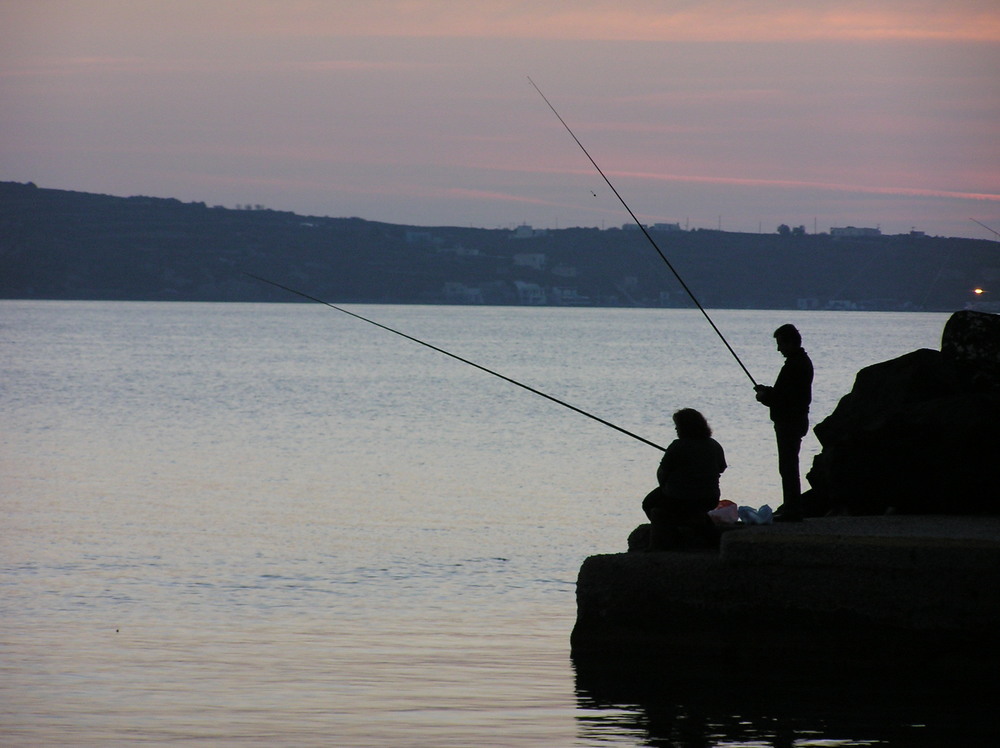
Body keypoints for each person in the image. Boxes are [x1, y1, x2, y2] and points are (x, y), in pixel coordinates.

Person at [642, 408, 727, 549]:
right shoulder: (714, 445)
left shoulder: (677, 446)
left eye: (678, 426)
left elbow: (663, 472)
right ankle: (692, 523)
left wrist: (664, 487)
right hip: (710, 497)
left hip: (680, 497)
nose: (676, 429)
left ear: (685, 427)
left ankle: (671, 536)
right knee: (691, 511)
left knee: (649, 503)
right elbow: (721, 468)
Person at [754, 323, 813, 521]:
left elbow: (783, 398)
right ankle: (791, 506)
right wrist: (768, 391)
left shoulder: (795, 365)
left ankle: (792, 509)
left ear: (790, 342)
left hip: (789, 422)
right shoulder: (800, 362)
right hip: (795, 420)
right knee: (788, 465)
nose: (779, 349)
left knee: (788, 466)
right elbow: (786, 393)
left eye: (780, 344)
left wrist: (764, 397)